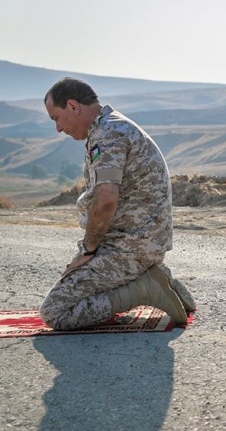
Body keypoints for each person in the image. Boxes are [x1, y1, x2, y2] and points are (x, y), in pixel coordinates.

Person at [40, 77, 195, 330]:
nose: (58, 128)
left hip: (129, 247)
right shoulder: (108, 127)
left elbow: (106, 199)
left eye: (56, 118)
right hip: (135, 243)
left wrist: (87, 252)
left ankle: (144, 289)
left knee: (55, 311)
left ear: (72, 106)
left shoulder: (108, 134)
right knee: (72, 288)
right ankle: (156, 276)